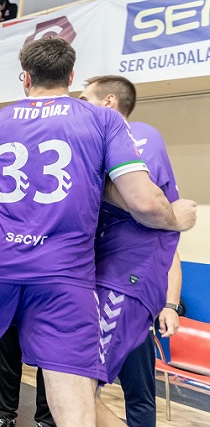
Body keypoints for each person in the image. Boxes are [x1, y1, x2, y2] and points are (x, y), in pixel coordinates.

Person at [0, 37, 197, 427]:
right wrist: (175, 218)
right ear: (69, 76)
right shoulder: (103, 121)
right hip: (65, 275)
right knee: (69, 386)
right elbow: (142, 202)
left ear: (25, 78)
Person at [79, 75, 183, 427]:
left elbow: (141, 202)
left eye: (84, 98)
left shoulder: (138, 134)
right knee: (68, 383)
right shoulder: (104, 143)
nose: (77, 106)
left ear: (108, 102)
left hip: (125, 280)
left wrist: (170, 304)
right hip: (104, 276)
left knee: (78, 386)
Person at [0, 326, 54, 427]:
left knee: (50, 360)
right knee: (7, 354)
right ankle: (4, 415)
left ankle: (46, 422)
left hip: (49, 314)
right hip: (12, 312)